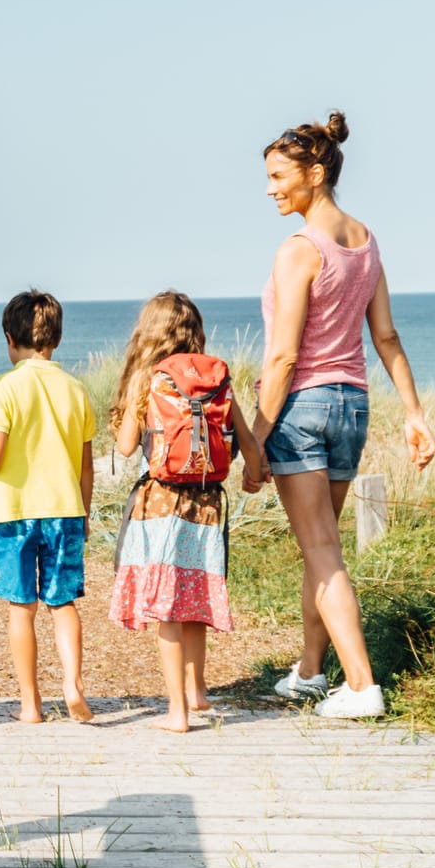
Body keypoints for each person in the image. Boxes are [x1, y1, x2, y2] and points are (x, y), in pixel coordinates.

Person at [253, 111, 435, 719]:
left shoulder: (300, 249)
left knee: (322, 550)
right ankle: (310, 670)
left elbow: (281, 355)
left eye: (281, 176)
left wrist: (256, 433)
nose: (273, 188)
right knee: (322, 547)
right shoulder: (365, 240)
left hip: (303, 407)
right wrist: (414, 412)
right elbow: (385, 336)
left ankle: (361, 684)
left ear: (316, 171)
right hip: (353, 406)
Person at [107, 291, 267, 733]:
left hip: (160, 501)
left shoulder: (148, 378)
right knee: (193, 597)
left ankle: (176, 711)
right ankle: (197, 693)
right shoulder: (215, 378)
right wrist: (255, 474)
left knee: (167, 608)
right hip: (207, 501)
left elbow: (124, 446)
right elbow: (248, 442)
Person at [0, 291, 96, 724]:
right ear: (57, 338)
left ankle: (30, 705)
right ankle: (72, 685)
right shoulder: (76, 390)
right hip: (66, 510)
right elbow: (86, 468)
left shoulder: (2, 389)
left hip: (13, 514)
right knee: (63, 603)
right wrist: (83, 514)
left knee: (21, 608)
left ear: (9, 339)